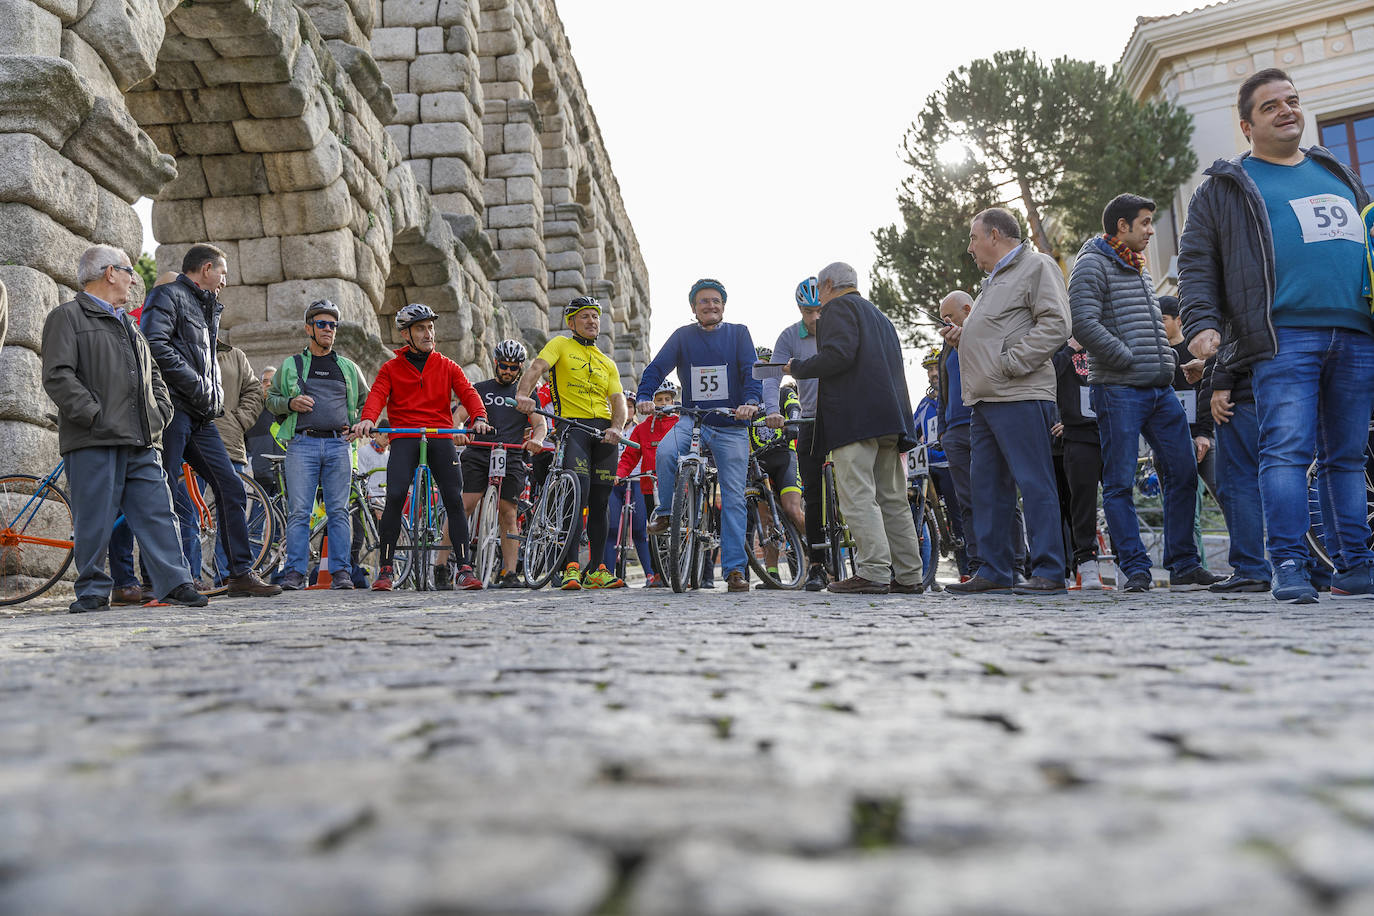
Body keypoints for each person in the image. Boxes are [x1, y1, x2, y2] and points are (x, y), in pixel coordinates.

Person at [1180, 68, 1374, 603]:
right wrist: (1200, 324)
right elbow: (1197, 264)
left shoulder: (1337, 171)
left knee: (1348, 457)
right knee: (1286, 451)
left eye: (1292, 100)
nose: (1287, 110)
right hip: (1283, 336)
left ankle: (1356, 565)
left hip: (1357, 334)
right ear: (1247, 126)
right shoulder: (1224, 188)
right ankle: (1287, 561)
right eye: (1271, 106)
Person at [40, 244, 206, 613]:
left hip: (143, 438)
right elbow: (57, 375)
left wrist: (159, 412)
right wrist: (94, 415)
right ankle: (93, 590)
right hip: (93, 437)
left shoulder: (129, 323)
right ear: (109, 272)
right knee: (95, 520)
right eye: (129, 270)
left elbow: (155, 376)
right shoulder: (66, 317)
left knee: (159, 512)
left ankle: (176, 582)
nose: (134, 278)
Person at [1070, 195, 1218, 593]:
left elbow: (1143, 327)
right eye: (1146, 223)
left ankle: (1185, 566)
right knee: (1119, 482)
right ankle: (1135, 569)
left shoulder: (1138, 267)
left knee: (1184, 472)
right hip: (1117, 389)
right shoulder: (1091, 263)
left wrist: (1168, 362)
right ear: (1122, 225)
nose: (1152, 230)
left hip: (1159, 389)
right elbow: (1083, 324)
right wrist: (1126, 358)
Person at [140, 244, 281, 598]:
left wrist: (210, 395)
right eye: (222, 274)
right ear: (206, 269)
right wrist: (200, 386)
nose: (225, 282)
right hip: (173, 409)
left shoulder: (206, 307)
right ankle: (160, 580)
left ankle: (239, 575)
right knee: (164, 489)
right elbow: (154, 345)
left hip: (200, 415)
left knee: (231, 486)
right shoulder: (167, 296)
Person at [946, 208, 1070, 595]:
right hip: (985, 399)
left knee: (1033, 483)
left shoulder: (1036, 266)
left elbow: (1057, 323)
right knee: (987, 488)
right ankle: (996, 569)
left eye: (973, 237)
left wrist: (1012, 362)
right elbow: (999, 329)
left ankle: (1049, 571)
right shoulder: (991, 282)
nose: (970, 247)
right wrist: (964, 336)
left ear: (995, 235)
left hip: (1018, 393)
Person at [785, 262, 924, 595]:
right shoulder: (880, 317)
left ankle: (873, 570)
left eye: (819, 288)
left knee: (858, 495)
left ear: (830, 285)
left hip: (854, 418)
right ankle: (909, 574)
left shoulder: (836, 310)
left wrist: (798, 368)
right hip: (890, 419)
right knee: (892, 498)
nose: (818, 297)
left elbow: (838, 356)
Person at [353, 303, 490, 591]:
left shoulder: (447, 365)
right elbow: (377, 395)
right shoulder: (391, 368)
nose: (428, 333)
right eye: (421, 328)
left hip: (440, 436)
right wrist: (367, 420)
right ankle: (386, 568)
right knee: (395, 495)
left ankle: (464, 567)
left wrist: (479, 417)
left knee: (454, 497)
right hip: (404, 436)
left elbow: (468, 392)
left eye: (430, 327)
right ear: (406, 334)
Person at [638, 279, 761, 593]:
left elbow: (751, 372)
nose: (711, 306)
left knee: (734, 498)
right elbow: (656, 368)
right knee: (666, 453)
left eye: (716, 301)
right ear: (694, 308)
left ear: (723, 305)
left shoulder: (739, 333)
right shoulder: (683, 337)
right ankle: (666, 513)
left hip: (731, 424)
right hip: (692, 421)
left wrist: (750, 402)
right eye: (704, 301)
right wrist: (645, 395)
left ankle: (734, 571)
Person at [514, 296, 628, 590]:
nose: (592, 321)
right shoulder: (560, 345)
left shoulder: (607, 361)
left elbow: (618, 401)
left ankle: (598, 569)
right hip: (573, 427)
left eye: (595, 316)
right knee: (577, 496)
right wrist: (523, 395)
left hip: (604, 432)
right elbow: (537, 367)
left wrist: (617, 427)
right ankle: (571, 567)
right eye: (585, 316)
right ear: (571, 322)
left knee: (600, 503)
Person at [267, 300, 369, 591]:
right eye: (322, 324)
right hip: (302, 444)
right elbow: (270, 400)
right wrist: (290, 402)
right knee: (299, 511)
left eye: (333, 325)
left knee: (338, 510)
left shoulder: (348, 368)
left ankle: (341, 573)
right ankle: (295, 573)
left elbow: (367, 399)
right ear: (308, 328)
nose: (329, 329)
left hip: (339, 445)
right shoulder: (291, 365)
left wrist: (359, 422)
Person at [459, 339, 547, 589]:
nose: (507, 371)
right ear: (495, 364)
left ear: (521, 369)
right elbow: (458, 416)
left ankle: (509, 572)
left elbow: (539, 425)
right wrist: (457, 432)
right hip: (479, 452)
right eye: (504, 366)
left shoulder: (525, 396)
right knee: (465, 505)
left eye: (513, 367)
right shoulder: (479, 388)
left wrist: (538, 440)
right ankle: (443, 564)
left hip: (511, 456)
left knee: (509, 514)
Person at [765, 277, 829, 590]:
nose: (815, 317)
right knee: (813, 494)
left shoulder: (840, 329)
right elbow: (770, 376)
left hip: (844, 417)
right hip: (810, 418)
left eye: (820, 310)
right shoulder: (790, 336)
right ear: (800, 309)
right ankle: (817, 564)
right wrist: (771, 411)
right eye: (808, 311)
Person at [1205, 357, 1271, 592]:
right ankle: (1307, 567)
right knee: (1292, 473)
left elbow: (1235, 333)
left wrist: (1220, 379)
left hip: (1243, 392)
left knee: (1238, 481)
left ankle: (1250, 567)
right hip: (1288, 388)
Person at [749, 347, 807, 586]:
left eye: (767, 367)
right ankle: (771, 572)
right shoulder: (747, 397)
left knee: (792, 510)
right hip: (758, 461)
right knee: (766, 520)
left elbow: (795, 407)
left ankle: (819, 559)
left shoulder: (783, 392)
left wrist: (792, 421)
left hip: (784, 456)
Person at [616, 379, 679, 587]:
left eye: (666, 399)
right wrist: (619, 473)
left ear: (673, 400)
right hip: (650, 487)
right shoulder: (642, 429)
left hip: (679, 486)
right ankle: (658, 573)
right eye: (658, 400)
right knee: (654, 531)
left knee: (680, 530)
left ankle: (681, 570)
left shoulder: (680, 424)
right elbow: (629, 457)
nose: (662, 403)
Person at [1051, 338, 1103, 588]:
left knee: (1119, 496)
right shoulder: (1058, 344)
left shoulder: (1103, 334)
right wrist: (1071, 347)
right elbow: (1046, 376)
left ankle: (1130, 563)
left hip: (1108, 426)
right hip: (1074, 434)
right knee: (1079, 503)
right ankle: (1085, 562)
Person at [913, 347, 967, 578]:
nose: (933, 373)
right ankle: (925, 573)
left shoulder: (955, 395)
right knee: (916, 510)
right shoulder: (924, 405)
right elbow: (911, 430)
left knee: (959, 516)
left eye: (936, 367)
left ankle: (967, 570)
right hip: (926, 466)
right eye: (930, 369)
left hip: (948, 463)